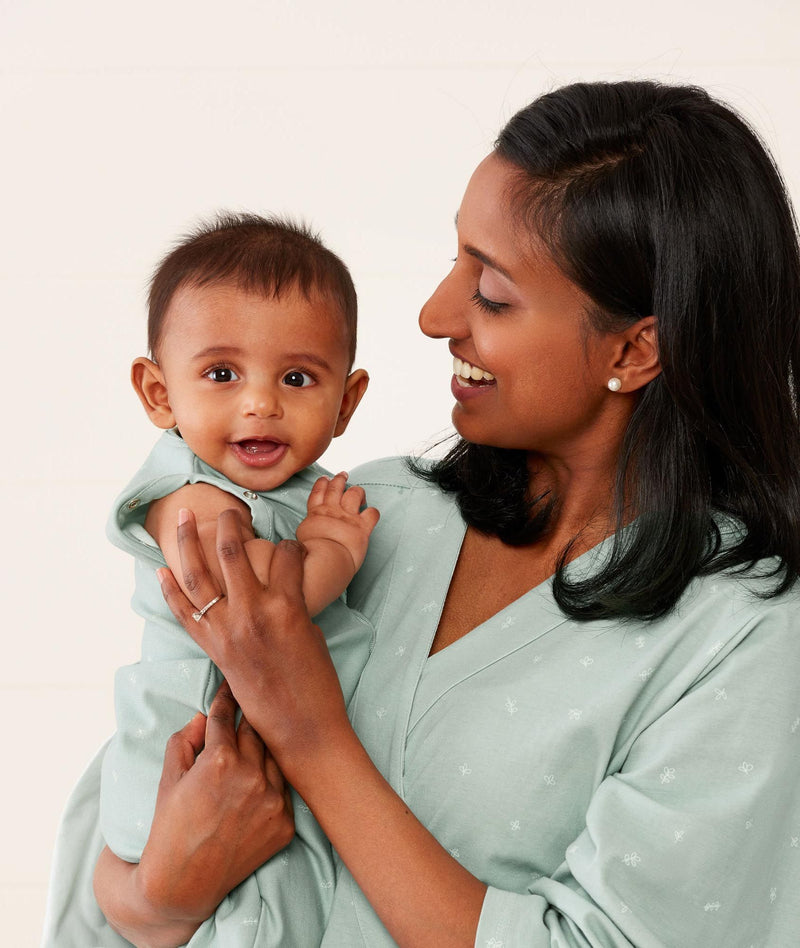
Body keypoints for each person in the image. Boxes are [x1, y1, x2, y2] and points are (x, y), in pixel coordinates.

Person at [50, 79, 800, 947]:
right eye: (455, 259)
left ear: (634, 350)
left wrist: (313, 736)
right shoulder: (363, 513)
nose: (433, 315)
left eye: (491, 291)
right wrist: (163, 896)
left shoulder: (743, 638)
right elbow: (135, 780)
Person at [44, 214, 379, 947]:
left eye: (296, 378)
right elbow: (255, 606)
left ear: (346, 402)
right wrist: (332, 551)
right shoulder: (187, 494)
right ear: (159, 393)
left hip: (250, 772)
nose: (259, 402)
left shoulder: (301, 485)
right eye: (222, 374)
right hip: (191, 770)